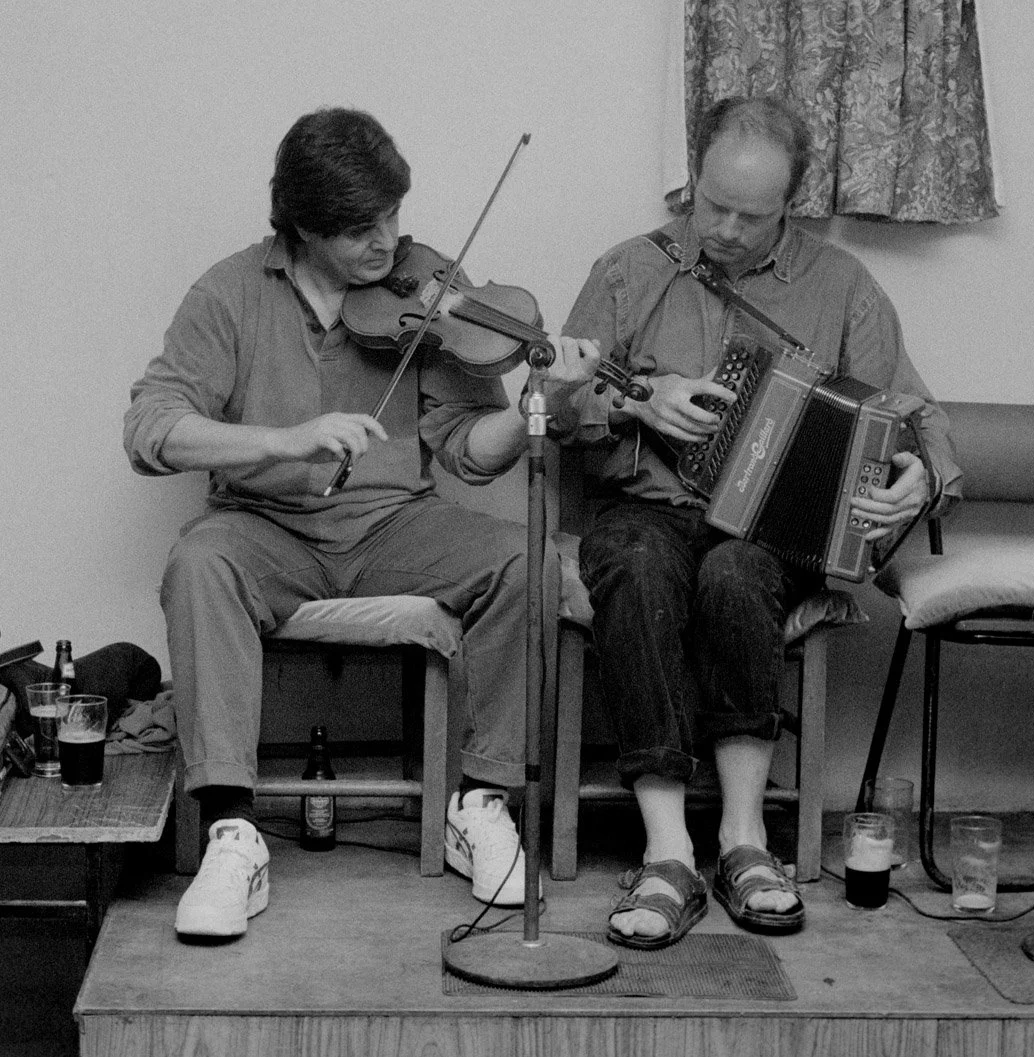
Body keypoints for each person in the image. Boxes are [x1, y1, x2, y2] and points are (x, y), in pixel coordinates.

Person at [124, 107, 600, 939]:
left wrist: (544, 401)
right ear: (302, 227)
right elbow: (150, 429)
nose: (386, 244)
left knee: (526, 558)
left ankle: (478, 804)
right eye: (358, 230)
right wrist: (283, 439)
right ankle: (233, 833)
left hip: (393, 524)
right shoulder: (229, 293)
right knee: (198, 561)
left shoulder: (427, 285)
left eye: (392, 216)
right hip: (265, 526)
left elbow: (469, 452)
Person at [556, 96, 961, 947]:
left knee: (734, 571)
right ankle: (666, 851)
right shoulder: (628, 270)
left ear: (792, 202)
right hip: (646, 510)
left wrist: (920, 475)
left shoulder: (841, 284)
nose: (728, 230)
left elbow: (915, 413)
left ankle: (743, 839)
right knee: (634, 560)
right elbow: (554, 403)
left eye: (753, 215)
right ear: (691, 177)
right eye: (713, 206)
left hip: (773, 535)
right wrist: (638, 400)